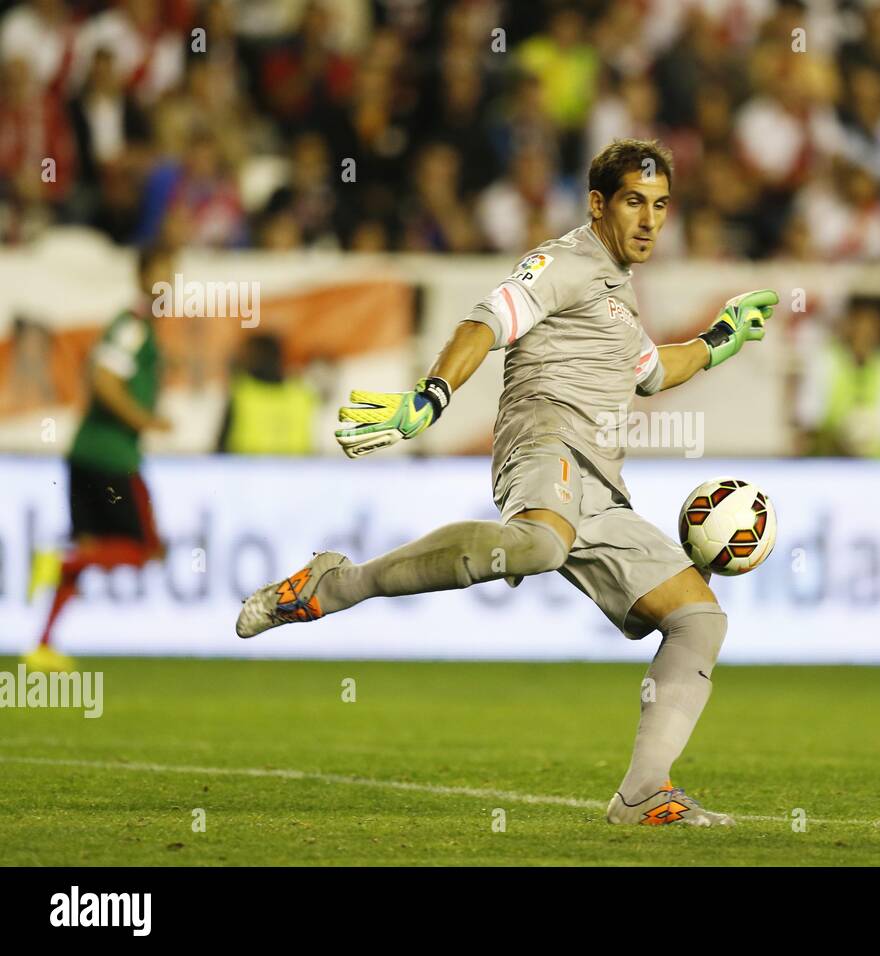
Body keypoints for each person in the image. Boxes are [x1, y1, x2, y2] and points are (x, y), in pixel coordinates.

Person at [236, 139, 778, 828]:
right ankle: (337, 582)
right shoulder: (563, 262)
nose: (649, 220)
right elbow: (484, 321)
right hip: (542, 439)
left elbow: (647, 369)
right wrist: (430, 397)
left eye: (661, 205)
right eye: (635, 202)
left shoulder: (616, 292)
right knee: (541, 546)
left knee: (699, 618)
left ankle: (644, 792)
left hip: (602, 488)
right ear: (598, 203)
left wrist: (717, 340)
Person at [26, 244, 174, 672]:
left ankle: (43, 644)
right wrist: (143, 419)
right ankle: (57, 561)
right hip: (112, 457)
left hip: (84, 453)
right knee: (145, 549)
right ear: (143, 276)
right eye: (162, 273)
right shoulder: (133, 326)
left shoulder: (140, 330)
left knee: (90, 548)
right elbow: (104, 380)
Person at [797, 296, 880, 458]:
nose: (864, 333)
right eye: (859, 324)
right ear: (848, 324)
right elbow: (809, 421)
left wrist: (866, 440)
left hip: (874, 468)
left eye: (871, 326)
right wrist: (840, 438)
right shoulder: (825, 359)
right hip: (829, 463)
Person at [217, 335, 318, 455]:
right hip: (296, 469)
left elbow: (221, 447)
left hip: (247, 470)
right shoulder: (303, 394)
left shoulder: (241, 393)